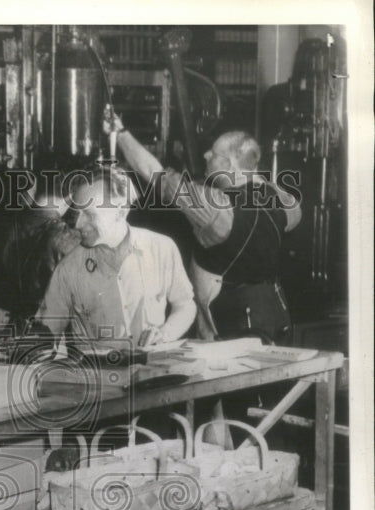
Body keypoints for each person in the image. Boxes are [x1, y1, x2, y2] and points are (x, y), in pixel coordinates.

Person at [110, 112, 302, 342]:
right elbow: (286, 213)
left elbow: (155, 173)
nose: (206, 154)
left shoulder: (216, 207)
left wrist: (121, 134)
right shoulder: (284, 200)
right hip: (274, 314)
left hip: (232, 326)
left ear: (229, 164)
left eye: (214, 153)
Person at [37, 164, 196, 351]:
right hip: (98, 377)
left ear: (120, 212)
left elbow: (185, 305)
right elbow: (46, 332)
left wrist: (165, 333)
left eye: (89, 214)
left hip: (152, 373)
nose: (78, 224)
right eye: (77, 213)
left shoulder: (162, 248)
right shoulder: (68, 268)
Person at [0, 169, 81, 331]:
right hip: (41, 332)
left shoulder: (0, 227)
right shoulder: (68, 240)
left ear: (36, 190)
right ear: (69, 197)